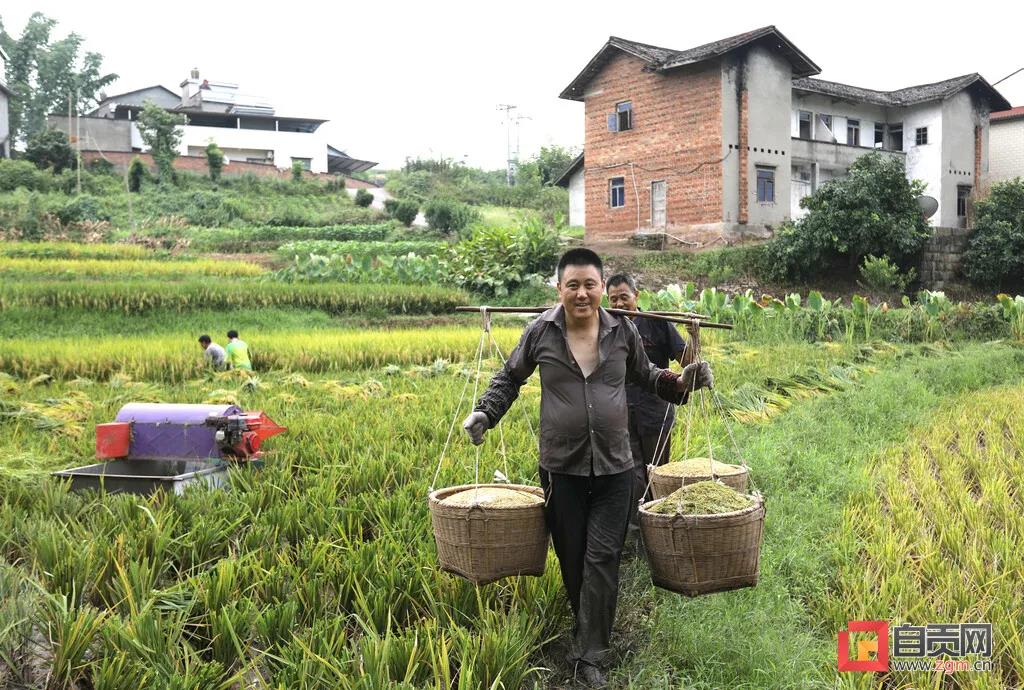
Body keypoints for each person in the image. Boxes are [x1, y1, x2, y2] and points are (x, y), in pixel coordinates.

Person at [462, 248, 713, 687]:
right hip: (562, 467)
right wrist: (486, 412)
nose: (582, 293)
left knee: (603, 557)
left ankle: (591, 652)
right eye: (573, 285)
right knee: (573, 556)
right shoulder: (540, 332)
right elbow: (510, 377)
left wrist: (681, 382)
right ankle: (585, 622)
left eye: (590, 285)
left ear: (600, 288)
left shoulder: (622, 331)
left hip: (616, 467)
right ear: (559, 288)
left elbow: (648, 375)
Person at [606, 274, 699, 540]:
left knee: (656, 471)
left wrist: (693, 336)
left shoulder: (657, 323)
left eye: (624, 297)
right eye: (613, 299)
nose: (619, 304)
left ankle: (659, 530)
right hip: (619, 411)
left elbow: (687, 362)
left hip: (655, 410)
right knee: (630, 471)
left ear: (636, 295)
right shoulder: (605, 327)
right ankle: (635, 532)